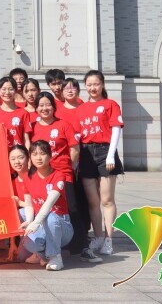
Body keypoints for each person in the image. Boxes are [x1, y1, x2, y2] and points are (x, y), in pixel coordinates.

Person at [77, 70, 124, 256]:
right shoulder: (81, 108)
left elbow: (116, 129)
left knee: (107, 199)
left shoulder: (110, 104)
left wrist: (111, 155)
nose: (93, 88)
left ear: (102, 84)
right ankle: (97, 237)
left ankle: (108, 239)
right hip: (86, 153)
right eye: (89, 85)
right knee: (93, 201)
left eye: (96, 84)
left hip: (105, 151)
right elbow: (77, 134)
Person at [11, 140, 74, 271]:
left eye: (42, 154)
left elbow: (49, 204)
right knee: (21, 214)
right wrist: (29, 221)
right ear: (30, 157)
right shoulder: (28, 178)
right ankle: (42, 255)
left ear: (50, 156)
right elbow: (29, 205)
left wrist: (35, 222)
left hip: (61, 225)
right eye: (34, 154)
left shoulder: (59, 176)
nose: (38, 158)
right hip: (42, 223)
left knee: (51, 217)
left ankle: (55, 257)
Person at [54, 77, 96, 260]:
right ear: (61, 91)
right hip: (66, 162)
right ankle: (67, 236)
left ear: (79, 90)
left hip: (84, 155)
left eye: (74, 87)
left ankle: (84, 234)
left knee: (83, 199)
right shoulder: (57, 110)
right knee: (69, 201)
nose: (70, 90)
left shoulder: (85, 108)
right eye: (66, 88)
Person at [0, 76, 29, 149]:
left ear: (15, 91)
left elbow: (26, 140)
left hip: (17, 154)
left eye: (11, 89)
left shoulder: (23, 113)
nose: (7, 92)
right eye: (4, 89)